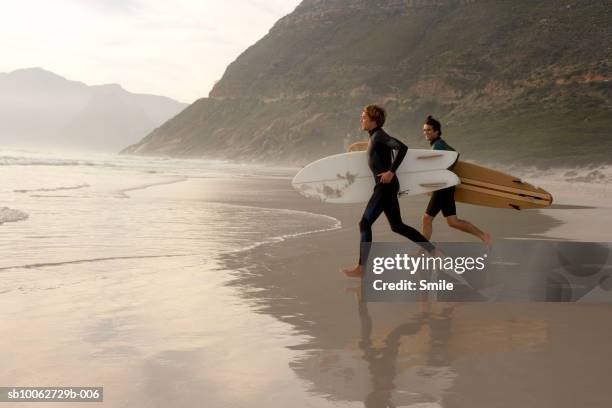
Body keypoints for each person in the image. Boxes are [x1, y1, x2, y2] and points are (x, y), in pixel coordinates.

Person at [342, 105, 435, 278]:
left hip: (385, 187)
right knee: (397, 226)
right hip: (387, 187)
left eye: (363, 117)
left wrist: (391, 172)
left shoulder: (379, 135)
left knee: (364, 223)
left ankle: (362, 268)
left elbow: (402, 148)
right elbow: (380, 151)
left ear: (373, 120)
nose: (360, 119)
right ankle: (433, 251)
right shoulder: (374, 137)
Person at [421, 115, 491, 244]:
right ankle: (483, 235)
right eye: (424, 130)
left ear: (436, 131)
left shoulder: (437, 146)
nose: (426, 132)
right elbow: (455, 153)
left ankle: (422, 251)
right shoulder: (440, 144)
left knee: (427, 219)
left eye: (429, 130)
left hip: (442, 188)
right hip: (447, 186)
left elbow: (440, 165)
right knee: (453, 222)